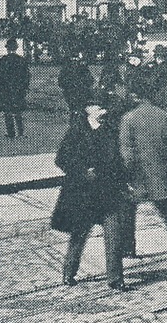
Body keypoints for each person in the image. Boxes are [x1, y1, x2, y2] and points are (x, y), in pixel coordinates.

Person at [119, 69, 167, 265]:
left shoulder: (128, 119)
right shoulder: (164, 116)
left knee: (128, 211)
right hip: (162, 171)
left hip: (138, 176)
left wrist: (124, 175)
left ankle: (128, 247)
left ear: (135, 96)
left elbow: (127, 153)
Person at [51, 96, 129, 290]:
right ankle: (69, 273)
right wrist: (82, 171)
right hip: (83, 194)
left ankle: (115, 278)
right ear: (88, 109)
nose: (103, 110)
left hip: (108, 193)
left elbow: (121, 161)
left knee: (114, 237)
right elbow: (61, 159)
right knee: (79, 235)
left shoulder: (112, 131)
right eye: (98, 106)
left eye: (104, 107)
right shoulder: (76, 131)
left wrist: (122, 180)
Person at [0, 38, 32, 139]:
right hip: (19, 89)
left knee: (8, 112)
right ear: (17, 48)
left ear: (7, 48)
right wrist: (25, 87)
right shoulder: (21, 60)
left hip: (6, 89)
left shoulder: (4, 60)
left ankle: (11, 133)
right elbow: (27, 76)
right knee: (18, 111)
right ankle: (21, 133)